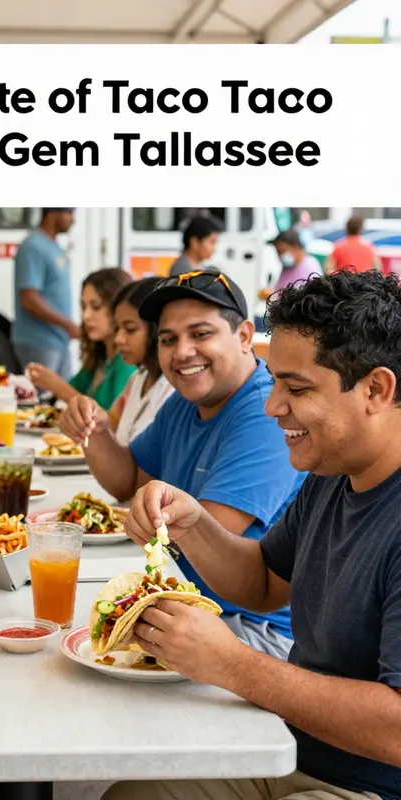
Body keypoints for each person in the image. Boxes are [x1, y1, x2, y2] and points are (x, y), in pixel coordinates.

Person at [106, 270, 401, 800]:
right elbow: (265, 580)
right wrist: (195, 524)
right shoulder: (332, 474)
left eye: (297, 388)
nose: (272, 405)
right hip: (284, 747)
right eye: (275, 380)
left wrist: (235, 666)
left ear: (376, 389)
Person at [59, 270, 305, 658]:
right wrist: (96, 430)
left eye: (201, 334)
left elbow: (206, 533)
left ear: (244, 336)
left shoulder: (264, 414)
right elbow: (127, 481)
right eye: (168, 339)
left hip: (255, 631)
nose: (183, 351)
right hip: (188, 606)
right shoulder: (185, 402)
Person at [26, 267, 137, 410]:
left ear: (118, 309)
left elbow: (112, 423)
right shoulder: (101, 357)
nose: (86, 316)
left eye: (96, 307)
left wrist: (57, 386)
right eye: (84, 307)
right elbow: (74, 388)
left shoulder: (126, 362)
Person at [11, 208, 79, 381]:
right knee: (41, 398)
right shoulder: (33, 246)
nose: (73, 220)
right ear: (52, 213)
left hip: (58, 339)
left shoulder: (53, 245)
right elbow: (29, 299)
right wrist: (66, 324)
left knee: (62, 398)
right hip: (39, 340)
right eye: (69, 213)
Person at [107, 277, 174, 445]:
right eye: (117, 328)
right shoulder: (138, 379)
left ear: (157, 330)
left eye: (130, 329)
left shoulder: (174, 390)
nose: (118, 339)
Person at [261, 228, 323, 299]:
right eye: (278, 252)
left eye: (282, 251)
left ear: (295, 247)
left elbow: (314, 297)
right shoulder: (287, 267)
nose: (280, 255)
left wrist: (274, 295)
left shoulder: (310, 266)